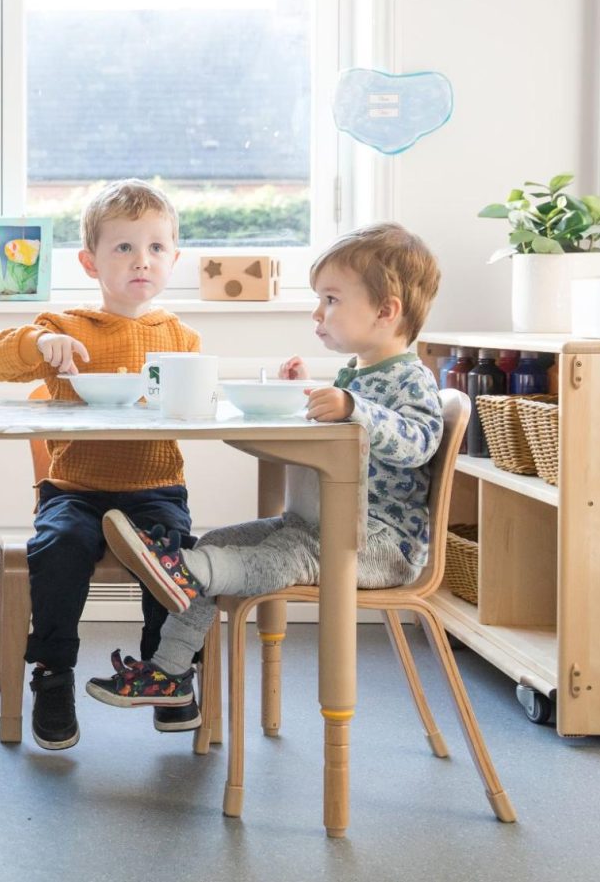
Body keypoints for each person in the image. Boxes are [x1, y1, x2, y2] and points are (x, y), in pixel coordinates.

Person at [91, 222, 443, 722]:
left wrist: (352, 407)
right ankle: (170, 671)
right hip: (323, 527)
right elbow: (343, 433)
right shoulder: (358, 375)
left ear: (386, 311)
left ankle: (183, 573)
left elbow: (419, 441)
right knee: (217, 543)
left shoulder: (411, 378)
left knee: (275, 555)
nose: (318, 313)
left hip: (378, 546)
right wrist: (311, 397)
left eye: (332, 300)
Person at [0, 180, 201, 750]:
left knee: (174, 556)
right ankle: (53, 675)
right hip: (75, 489)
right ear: (90, 261)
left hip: (155, 488)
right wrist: (35, 342)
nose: (141, 261)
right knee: (59, 548)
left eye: (155, 248)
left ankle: (167, 670)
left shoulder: (181, 337)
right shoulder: (66, 328)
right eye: (123, 248)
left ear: (173, 259)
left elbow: (200, 408)